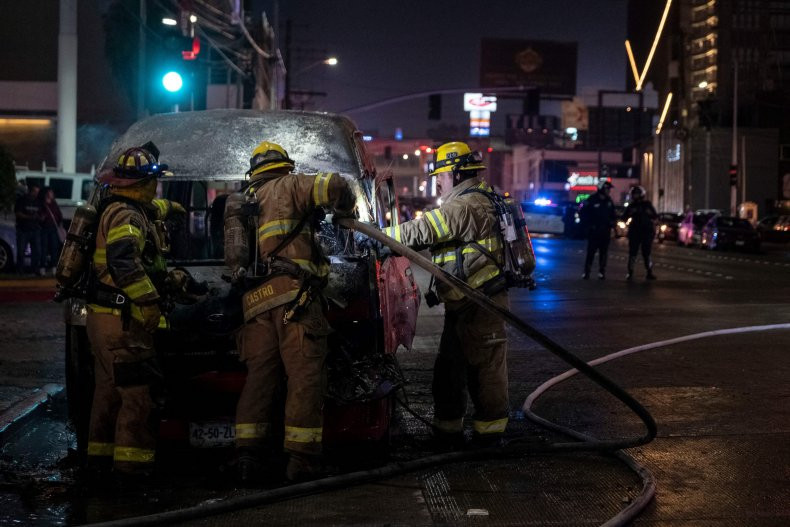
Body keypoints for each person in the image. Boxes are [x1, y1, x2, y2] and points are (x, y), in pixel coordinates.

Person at [228, 141, 355, 483]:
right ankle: (302, 463)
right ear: (284, 165)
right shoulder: (291, 184)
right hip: (294, 300)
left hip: (255, 304)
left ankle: (247, 458)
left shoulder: (244, 201)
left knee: (259, 380)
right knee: (305, 378)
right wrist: (347, 209)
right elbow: (336, 186)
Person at [380, 141, 510, 450]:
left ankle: (489, 437)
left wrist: (375, 237)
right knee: (450, 368)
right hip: (465, 302)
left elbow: (423, 230)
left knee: (485, 371)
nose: (438, 180)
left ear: (454, 172)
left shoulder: (467, 205)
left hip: (482, 303)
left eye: (440, 174)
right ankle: (447, 432)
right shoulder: (469, 201)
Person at [85, 145, 183, 478]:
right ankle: (132, 471)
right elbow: (124, 262)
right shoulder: (127, 216)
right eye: (153, 181)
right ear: (140, 183)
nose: (156, 188)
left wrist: (168, 207)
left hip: (102, 319)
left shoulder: (116, 207)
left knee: (108, 394)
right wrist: (150, 302)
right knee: (138, 398)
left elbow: (150, 209)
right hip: (123, 323)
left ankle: (98, 462)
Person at [580, 180, 616, 280]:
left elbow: (613, 214)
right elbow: (582, 213)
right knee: (591, 252)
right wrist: (588, 225)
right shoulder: (592, 199)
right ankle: (587, 272)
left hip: (605, 231)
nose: (609, 191)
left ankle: (601, 272)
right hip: (594, 231)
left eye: (609, 189)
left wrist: (613, 223)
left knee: (604, 253)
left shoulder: (609, 201)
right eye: (607, 189)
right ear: (601, 189)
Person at [623, 186, 657, 280]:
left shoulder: (647, 204)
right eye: (634, 194)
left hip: (646, 231)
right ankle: (630, 272)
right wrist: (630, 213)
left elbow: (655, 215)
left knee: (646, 253)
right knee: (633, 253)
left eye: (637, 193)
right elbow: (624, 217)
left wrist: (648, 213)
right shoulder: (631, 206)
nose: (635, 195)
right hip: (635, 232)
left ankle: (649, 271)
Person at [14, 182, 42, 274]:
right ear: (30, 191)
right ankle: (20, 270)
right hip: (23, 229)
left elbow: (41, 213)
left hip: (35, 229)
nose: (36, 194)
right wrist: (29, 217)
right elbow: (18, 213)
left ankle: (34, 269)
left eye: (38, 192)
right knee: (21, 251)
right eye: (35, 191)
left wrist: (40, 217)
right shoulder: (22, 200)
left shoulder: (38, 201)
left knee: (36, 251)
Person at [38, 186, 64, 274]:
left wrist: (59, 221)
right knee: (44, 249)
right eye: (51, 192)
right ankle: (42, 267)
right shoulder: (42, 204)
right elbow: (40, 217)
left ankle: (53, 267)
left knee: (54, 248)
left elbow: (59, 215)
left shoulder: (54, 203)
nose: (52, 194)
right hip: (44, 229)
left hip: (53, 228)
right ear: (47, 194)